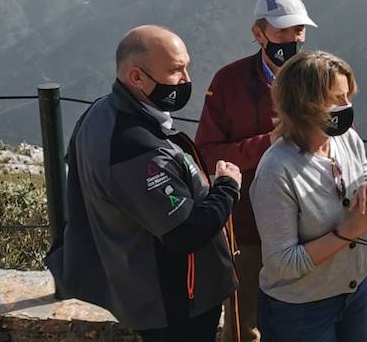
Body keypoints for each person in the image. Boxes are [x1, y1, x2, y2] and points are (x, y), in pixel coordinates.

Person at [46, 25, 241, 342]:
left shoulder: (100, 112)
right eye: (176, 70)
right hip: (175, 301)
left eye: (186, 66)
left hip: (137, 284)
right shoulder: (138, 150)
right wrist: (227, 186)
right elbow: (184, 233)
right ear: (136, 77)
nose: (187, 79)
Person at [198, 0, 318, 341]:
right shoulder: (228, 82)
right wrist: (268, 142)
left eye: (298, 31)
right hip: (248, 230)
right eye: (282, 31)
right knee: (242, 329)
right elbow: (207, 154)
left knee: (304, 325)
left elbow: (341, 137)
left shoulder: (318, 78)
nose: (292, 39)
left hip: (309, 227)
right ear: (258, 33)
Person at [250, 50, 367, 342]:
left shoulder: (347, 139)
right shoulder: (277, 170)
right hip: (299, 310)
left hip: (353, 294)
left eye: (348, 96)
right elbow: (283, 263)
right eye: (337, 99)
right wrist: (351, 230)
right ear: (305, 104)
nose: (347, 106)